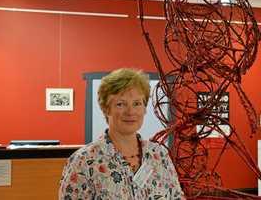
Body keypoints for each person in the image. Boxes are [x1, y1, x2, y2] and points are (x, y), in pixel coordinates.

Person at [59, 68, 185, 199]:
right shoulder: (83, 161)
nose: (130, 112)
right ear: (106, 109)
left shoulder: (159, 155)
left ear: (144, 108)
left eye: (137, 103)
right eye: (121, 104)